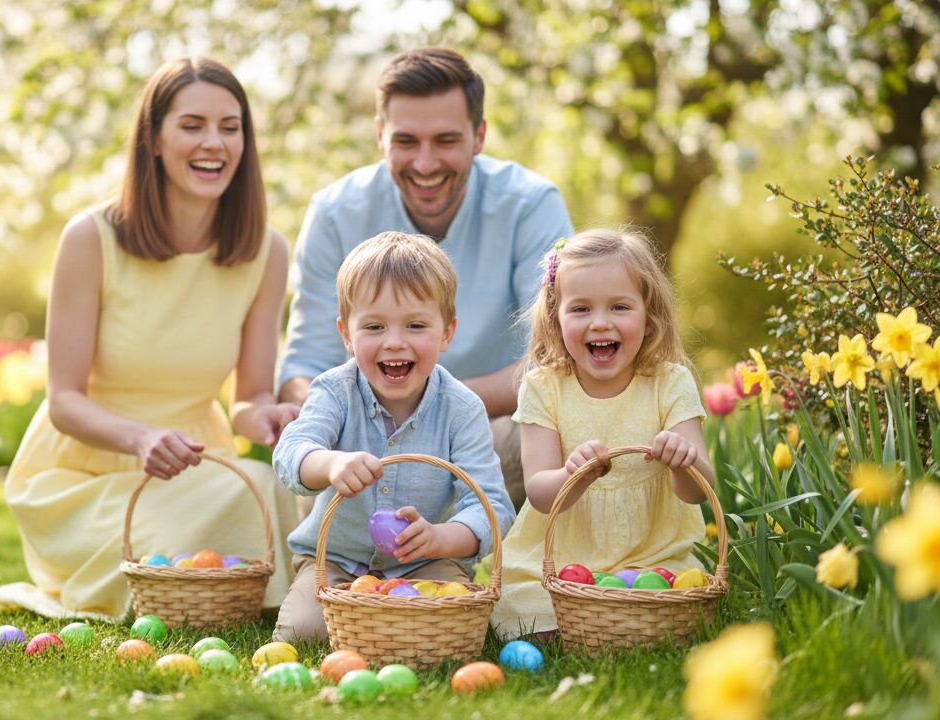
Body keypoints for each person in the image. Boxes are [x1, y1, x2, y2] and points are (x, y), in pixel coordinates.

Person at [0, 57, 300, 620]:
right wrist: (139, 439)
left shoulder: (266, 251)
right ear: (153, 139)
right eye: (193, 125)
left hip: (198, 470)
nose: (215, 143)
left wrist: (272, 417)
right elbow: (63, 400)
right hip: (82, 478)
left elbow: (249, 397)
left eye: (231, 127)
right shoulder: (92, 238)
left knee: (269, 487)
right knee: (181, 532)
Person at [278, 46, 574, 508]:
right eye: (406, 141)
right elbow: (303, 365)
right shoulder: (335, 213)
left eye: (446, 140)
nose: (425, 162)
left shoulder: (529, 205)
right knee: (315, 446)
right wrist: (336, 413)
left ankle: (530, 578)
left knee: (553, 433)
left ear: (479, 136)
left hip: (493, 428)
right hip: (363, 432)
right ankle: (329, 580)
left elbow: (551, 361)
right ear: (380, 136)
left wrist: (429, 405)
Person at [270, 231, 515, 642]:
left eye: (416, 325)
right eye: (374, 326)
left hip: (426, 561)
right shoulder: (335, 390)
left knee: (447, 631)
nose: (394, 342)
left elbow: (491, 506)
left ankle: (407, 613)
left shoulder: (462, 407)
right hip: (335, 561)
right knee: (305, 631)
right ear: (346, 335)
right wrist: (331, 463)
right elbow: (291, 452)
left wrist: (439, 538)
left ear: (446, 332)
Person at [490, 228, 715, 637]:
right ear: (556, 322)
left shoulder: (670, 383)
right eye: (580, 309)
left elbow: (700, 489)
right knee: (523, 602)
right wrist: (570, 476)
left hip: (654, 552)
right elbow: (540, 492)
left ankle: (610, 617)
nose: (599, 322)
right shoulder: (543, 386)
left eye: (619, 307)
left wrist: (685, 461)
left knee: (679, 589)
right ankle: (584, 620)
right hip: (563, 557)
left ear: (650, 319)